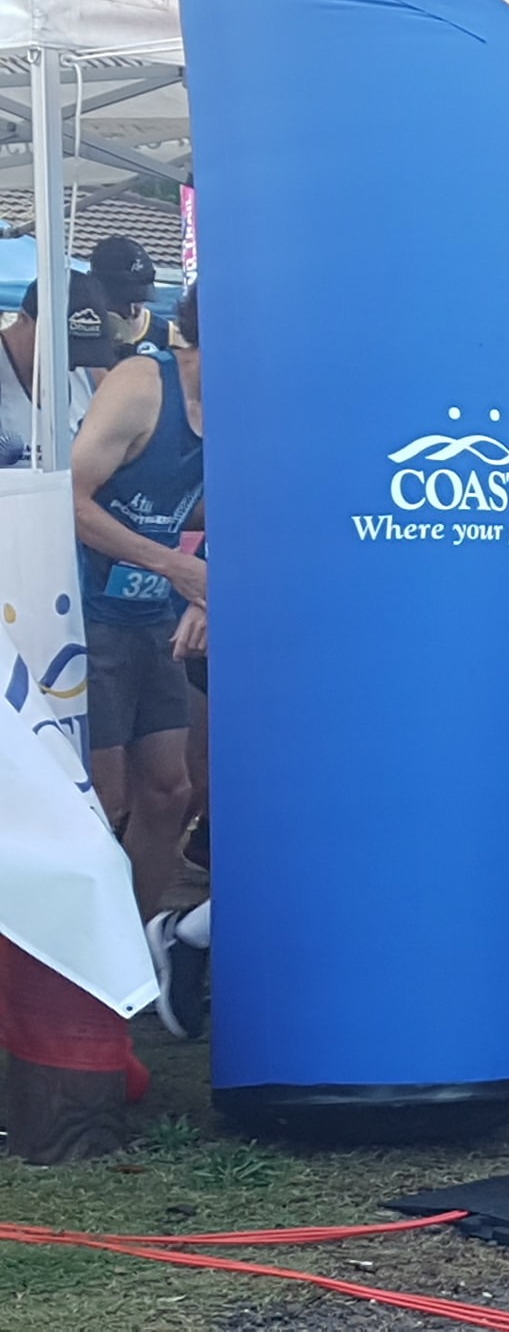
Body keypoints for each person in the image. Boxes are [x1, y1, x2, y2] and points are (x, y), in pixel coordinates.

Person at [70, 284, 206, 922]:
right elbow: (69, 501)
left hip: (150, 614)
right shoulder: (143, 383)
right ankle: (77, 970)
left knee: (168, 789)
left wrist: (201, 583)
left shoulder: (241, 408)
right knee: (104, 796)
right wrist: (171, 563)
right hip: (85, 613)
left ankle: (135, 949)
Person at [1, 272, 120, 466]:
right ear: (23, 319)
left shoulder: (94, 376)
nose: (67, 363)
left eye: (79, 353)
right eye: (58, 347)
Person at [88, 236, 170, 353]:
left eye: (140, 299)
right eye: (122, 301)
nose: (131, 311)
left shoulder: (169, 338)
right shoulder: (68, 336)